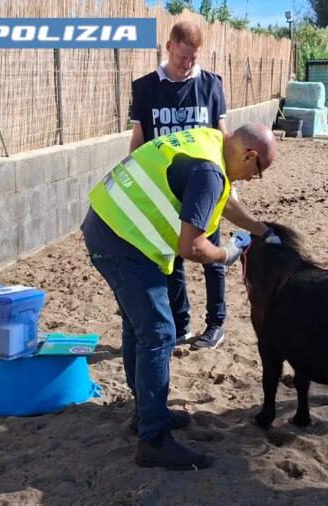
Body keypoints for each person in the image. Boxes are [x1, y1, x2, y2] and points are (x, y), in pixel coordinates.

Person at [81, 124, 278, 470]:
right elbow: (192, 247)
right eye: (257, 172)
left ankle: (145, 413)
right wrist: (226, 253)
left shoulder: (211, 142)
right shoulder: (209, 171)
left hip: (107, 224)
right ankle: (153, 440)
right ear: (250, 155)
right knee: (158, 332)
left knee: (138, 327)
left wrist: (262, 230)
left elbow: (225, 201)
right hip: (122, 243)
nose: (251, 179)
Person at [130, 20, 230, 350]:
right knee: (172, 258)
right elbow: (139, 141)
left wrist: (227, 182)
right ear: (169, 47)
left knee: (211, 254)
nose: (187, 65)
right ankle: (180, 323)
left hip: (205, 188)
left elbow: (223, 136)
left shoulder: (212, 85)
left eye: (193, 59)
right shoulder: (146, 88)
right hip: (166, 190)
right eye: (182, 58)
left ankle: (216, 322)